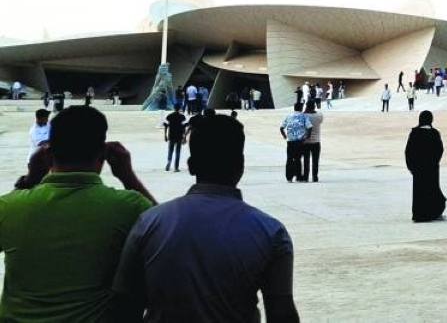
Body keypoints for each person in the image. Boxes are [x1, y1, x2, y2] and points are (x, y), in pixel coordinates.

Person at [111, 114, 299, 322]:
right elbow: (281, 313)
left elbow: (125, 306)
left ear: (191, 165)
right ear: (241, 165)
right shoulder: (271, 232)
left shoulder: (149, 223)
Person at [0, 106, 156, 321]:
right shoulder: (129, 206)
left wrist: (30, 180)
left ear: (47, 155)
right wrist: (128, 177)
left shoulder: (9, 206)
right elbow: (168, 235)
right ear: (104, 154)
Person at [405, 111, 447, 222]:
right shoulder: (435, 133)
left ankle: (419, 214)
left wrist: (411, 167)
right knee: (432, 190)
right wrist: (434, 163)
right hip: (432, 169)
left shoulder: (415, 133)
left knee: (419, 192)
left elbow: (408, 151)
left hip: (418, 169)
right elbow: (440, 150)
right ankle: (432, 213)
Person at [278, 103, 312, 183]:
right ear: (301, 108)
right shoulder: (304, 116)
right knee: (298, 159)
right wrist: (307, 138)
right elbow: (310, 127)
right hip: (300, 142)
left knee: (289, 159)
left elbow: (281, 128)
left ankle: (289, 177)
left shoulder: (288, 116)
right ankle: (298, 177)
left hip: (290, 142)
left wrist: (284, 136)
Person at [302, 100, 324, 183]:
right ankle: (315, 177)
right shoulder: (319, 115)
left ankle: (306, 177)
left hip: (305, 141)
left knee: (306, 160)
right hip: (316, 141)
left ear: (307, 106)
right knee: (315, 160)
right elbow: (320, 121)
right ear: (314, 106)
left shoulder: (303, 115)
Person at [162, 107, 187, 172]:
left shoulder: (170, 116)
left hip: (171, 136)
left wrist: (165, 136)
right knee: (177, 152)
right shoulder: (182, 117)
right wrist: (184, 138)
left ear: (174, 108)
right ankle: (176, 167)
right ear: (179, 109)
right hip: (179, 136)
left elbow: (166, 126)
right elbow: (183, 127)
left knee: (170, 151)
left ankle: (169, 162)